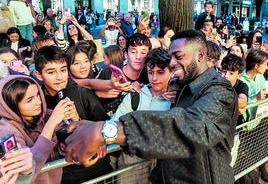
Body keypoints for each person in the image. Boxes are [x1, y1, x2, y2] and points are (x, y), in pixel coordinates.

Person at [65, 29, 238, 184]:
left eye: (178, 56)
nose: (171, 62)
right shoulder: (181, 86)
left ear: (200, 55)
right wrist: (91, 126)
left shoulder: (219, 90)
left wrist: (109, 131)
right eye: (170, 57)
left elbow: (193, 126)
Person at [34, 45, 113, 184]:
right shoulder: (36, 101)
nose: (59, 77)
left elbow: (107, 129)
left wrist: (78, 120)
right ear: (39, 75)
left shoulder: (83, 94)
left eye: (63, 70)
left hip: (98, 171)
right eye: (51, 72)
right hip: (64, 174)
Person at [0, 75, 80, 183]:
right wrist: (52, 123)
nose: (39, 102)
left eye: (38, 94)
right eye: (29, 100)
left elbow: (72, 142)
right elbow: (25, 172)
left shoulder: (46, 115)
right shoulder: (6, 130)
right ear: (12, 105)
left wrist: (75, 119)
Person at [112, 48, 173, 184]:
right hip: (132, 161)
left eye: (161, 72)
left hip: (163, 164)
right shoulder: (136, 95)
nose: (154, 78)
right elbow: (114, 123)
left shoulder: (176, 100)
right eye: (151, 72)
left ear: (171, 72)